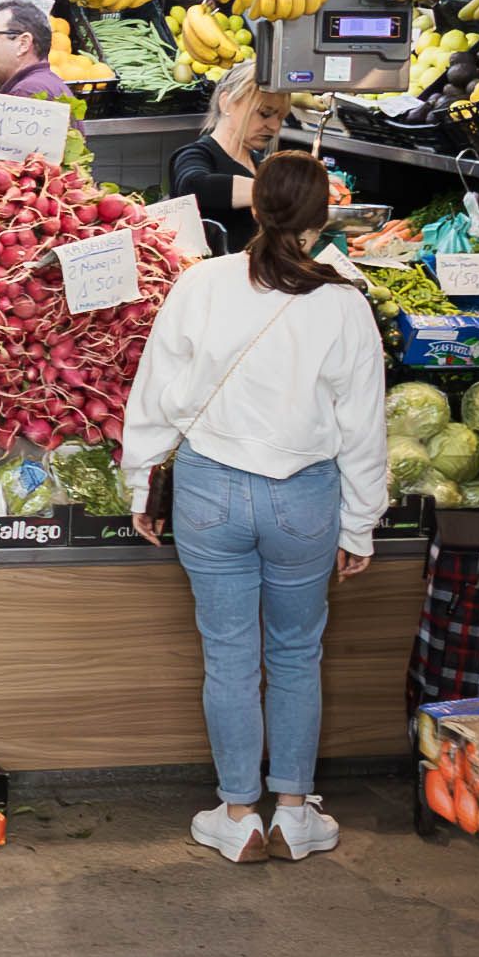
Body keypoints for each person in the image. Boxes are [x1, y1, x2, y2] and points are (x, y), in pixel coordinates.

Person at [121, 153, 389, 866]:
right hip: (304, 495)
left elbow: (155, 392)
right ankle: (295, 813)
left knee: (230, 657)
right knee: (298, 654)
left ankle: (238, 813)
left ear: (256, 208)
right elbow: (365, 428)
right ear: (322, 218)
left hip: (210, 492)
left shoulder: (201, 283)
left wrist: (141, 484)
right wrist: (360, 522)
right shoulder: (345, 302)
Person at [162, 75, 290, 259]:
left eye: (280, 117)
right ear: (227, 103)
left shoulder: (260, 164)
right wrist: (279, 190)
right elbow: (193, 186)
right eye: (264, 113)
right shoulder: (196, 155)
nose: (274, 126)